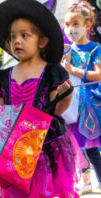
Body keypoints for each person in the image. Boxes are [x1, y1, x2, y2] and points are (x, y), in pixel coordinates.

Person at [0, 0, 87, 197]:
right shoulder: (3, 76)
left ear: (42, 41)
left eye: (24, 35)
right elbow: (1, 111)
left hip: (44, 148)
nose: (16, 41)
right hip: (13, 148)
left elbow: (57, 110)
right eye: (12, 37)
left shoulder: (52, 72)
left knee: (42, 191)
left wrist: (67, 94)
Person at [62, 2, 101, 194]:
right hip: (70, 107)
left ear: (87, 25)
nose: (70, 29)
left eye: (75, 23)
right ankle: (84, 181)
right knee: (74, 146)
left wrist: (73, 70)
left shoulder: (96, 49)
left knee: (91, 148)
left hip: (91, 106)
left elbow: (99, 74)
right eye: (67, 24)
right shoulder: (66, 50)